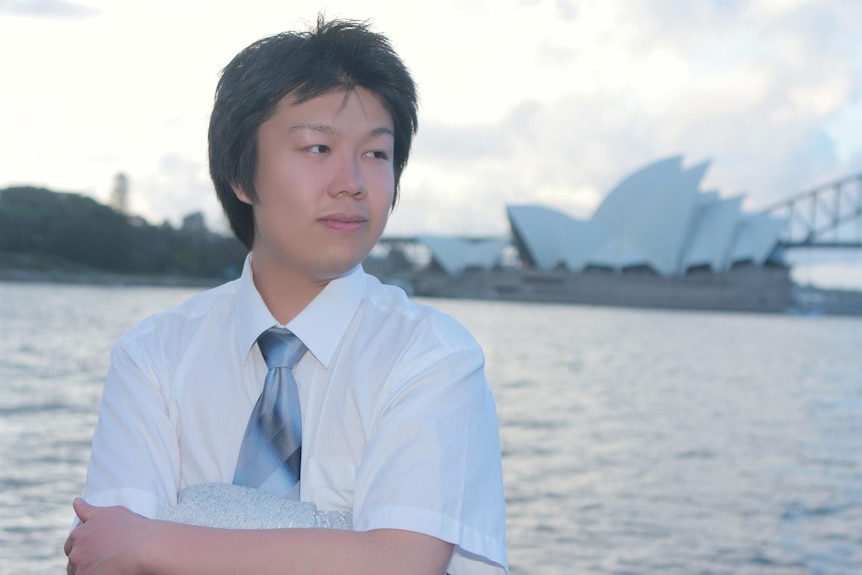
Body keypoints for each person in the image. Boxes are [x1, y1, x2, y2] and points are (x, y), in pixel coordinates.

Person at [64, 15, 508, 575]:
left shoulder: (432, 358)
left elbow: (401, 562)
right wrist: (343, 545)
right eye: (318, 147)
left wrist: (156, 542)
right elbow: (106, 558)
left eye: (376, 154)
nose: (352, 180)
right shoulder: (153, 356)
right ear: (242, 176)